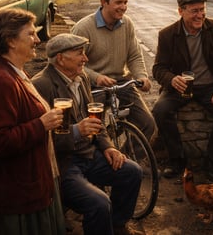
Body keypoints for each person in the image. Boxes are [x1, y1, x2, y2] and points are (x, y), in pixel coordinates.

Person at [32, 33, 144, 235]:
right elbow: (41, 139)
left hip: (89, 155)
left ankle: (117, 225)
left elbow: (94, 121)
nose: (86, 59)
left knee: (132, 172)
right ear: (60, 58)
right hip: (63, 164)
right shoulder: (42, 85)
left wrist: (108, 146)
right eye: (80, 53)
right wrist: (76, 131)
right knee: (99, 203)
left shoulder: (81, 76)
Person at [0, 8, 65, 235]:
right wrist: (41, 124)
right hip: (18, 195)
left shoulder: (15, 72)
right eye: (31, 34)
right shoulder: (1, 81)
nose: (38, 40)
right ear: (10, 41)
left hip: (31, 184)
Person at [152, 0, 213, 182]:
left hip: (210, 87)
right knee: (160, 110)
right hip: (180, 88)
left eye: (202, 10)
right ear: (180, 11)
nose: (200, 15)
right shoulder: (168, 34)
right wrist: (172, 79)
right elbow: (158, 68)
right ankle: (177, 159)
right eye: (194, 11)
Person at [71, 0, 156, 143]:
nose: (123, 7)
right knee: (95, 130)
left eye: (125, 2)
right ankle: (102, 161)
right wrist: (97, 77)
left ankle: (126, 162)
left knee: (147, 124)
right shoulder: (83, 28)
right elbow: (72, 65)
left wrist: (142, 76)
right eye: (118, 2)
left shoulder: (127, 24)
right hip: (92, 85)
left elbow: (134, 55)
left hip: (120, 81)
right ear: (103, 2)